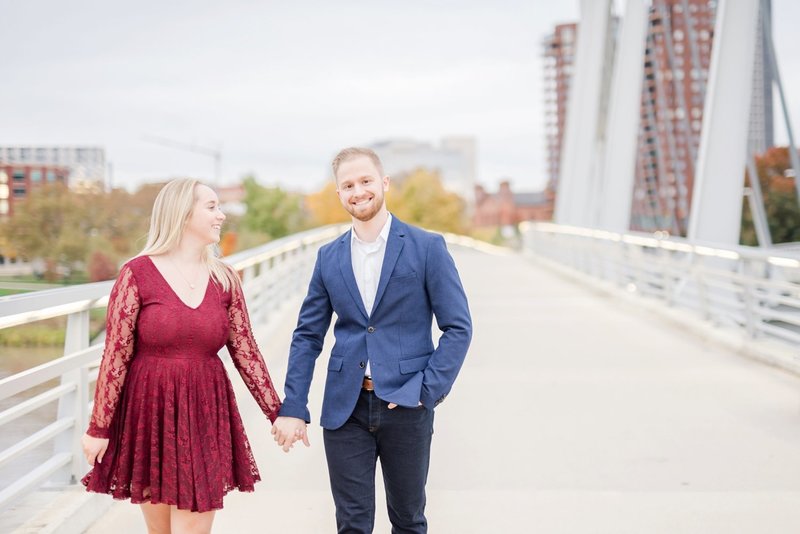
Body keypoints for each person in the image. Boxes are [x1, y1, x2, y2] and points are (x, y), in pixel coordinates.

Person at [271, 147, 472, 533]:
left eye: (365, 181)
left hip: (407, 406)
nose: (358, 191)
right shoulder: (329, 257)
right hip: (345, 410)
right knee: (352, 524)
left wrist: (426, 390)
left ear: (383, 183)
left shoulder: (426, 247)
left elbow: (458, 327)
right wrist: (294, 404)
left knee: (409, 520)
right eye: (347, 185)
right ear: (338, 194)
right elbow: (308, 335)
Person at [81, 178, 282, 534]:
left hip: (204, 409)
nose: (221, 215)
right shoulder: (136, 274)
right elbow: (115, 356)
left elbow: (246, 350)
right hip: (149, 413)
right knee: (160, 531)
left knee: (192, 527)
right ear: (182, 213)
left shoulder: (225, 279)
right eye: (212, 207)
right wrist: (99, 428)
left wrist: (277, 413)